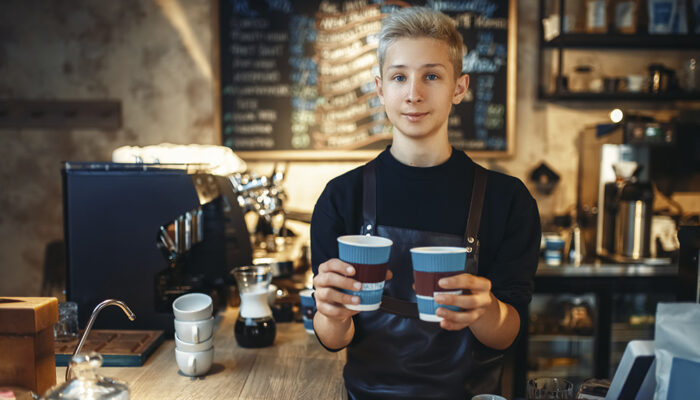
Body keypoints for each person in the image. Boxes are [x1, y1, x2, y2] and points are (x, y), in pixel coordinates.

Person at [310, 6, 540, 399]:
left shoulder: (508, 200)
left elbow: (507, 336)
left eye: (431, 76)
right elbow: (334, 340)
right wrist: (331, 313)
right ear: (381, 88)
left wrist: (486, 310)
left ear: (459, 88)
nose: (414, 94)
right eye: (400, 77)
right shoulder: (340, 197)